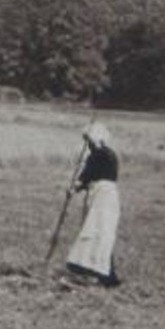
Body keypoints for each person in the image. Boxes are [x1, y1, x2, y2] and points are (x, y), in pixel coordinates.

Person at [64, 121, 122, 287]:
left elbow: (86, 176)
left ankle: (88, 269)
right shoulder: (110, 154)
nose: (87, 144)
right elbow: (92, 175)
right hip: (110, 195)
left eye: (88, 140)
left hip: (101, 196)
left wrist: (73, 189)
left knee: (94, 230)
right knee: (104, 232)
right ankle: (105, 272)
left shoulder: (97, 155)